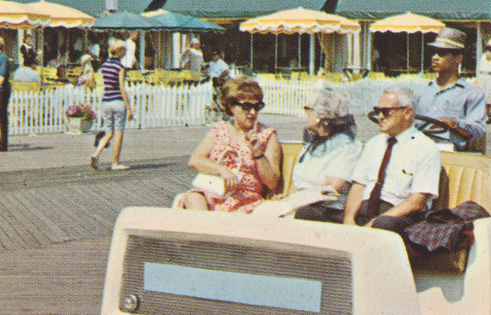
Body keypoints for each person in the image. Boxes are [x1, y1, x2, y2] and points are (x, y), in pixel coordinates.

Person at [342, 85, 442, 235]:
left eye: (386, 111)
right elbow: (359, 186)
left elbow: (417, 201)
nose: (380, 117)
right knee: (309, 214)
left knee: (383, 225)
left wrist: (372, 225)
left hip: (398, 217)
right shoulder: (373, 144)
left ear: (407, 113)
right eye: (378, 111)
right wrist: (348, 220)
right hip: (365, 212)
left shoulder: (425, 148)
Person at [178, 77, 281, 212]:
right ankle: (204, 231)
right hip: (213, 191)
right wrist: (222, 170)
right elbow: (194, 161)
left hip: (244, 199)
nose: (253, 112)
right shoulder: (219, 130)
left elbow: (272, 182)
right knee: (193, 199)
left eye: (257, 106)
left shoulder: (267, 135)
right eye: (246, 106)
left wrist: (258, 153)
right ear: (231, 106)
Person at [291, 90, 363, 222]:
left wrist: (294, 201)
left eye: (308, 109)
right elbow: (297, 183)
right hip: (299, 205)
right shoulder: (311, 145)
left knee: (304, 214)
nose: (306, 114)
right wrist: (285, 199)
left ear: (321, 116)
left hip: (328, 210)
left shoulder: (346, 147)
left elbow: (331, 189)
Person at [415, 27, 487, 152]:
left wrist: (454, 124)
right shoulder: (420, 92)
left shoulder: (472, 93)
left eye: (442, 53)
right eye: (434, 52)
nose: (435, 57)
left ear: (458, 58)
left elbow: (478, 131)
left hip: (452, 153)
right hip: (419, 150)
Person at [90, 39, 134, 171]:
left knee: (109, 132)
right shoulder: (120, 67)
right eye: (124, 50)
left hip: (106, 101)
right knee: (119, 132)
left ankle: (96, 154)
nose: (125, 53)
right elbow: (121, 87)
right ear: (119, 51)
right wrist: (129, 107)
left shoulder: (104, 66)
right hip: (117, 101)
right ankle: (115, 162)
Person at [476, 41, 491, 124]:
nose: (487, 55)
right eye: (486, 53)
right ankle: (486, 115)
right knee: (484, 98)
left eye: (489, 53)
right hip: (483, 78)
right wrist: (477, 80)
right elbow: (479, 70)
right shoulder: (483, 58)